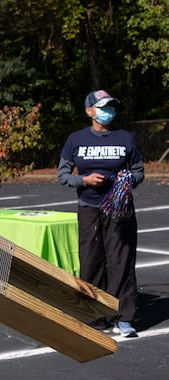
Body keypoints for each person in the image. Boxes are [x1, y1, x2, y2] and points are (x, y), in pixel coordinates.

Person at [58, 89, 145, 338]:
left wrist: (127, 179)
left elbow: (139, 171)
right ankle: (95, 317)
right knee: (91, 261)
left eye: (111, 107)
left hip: (120, 211)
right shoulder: (76, 139)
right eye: (103, 107)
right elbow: (63, 176)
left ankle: (124, 318)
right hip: (89, 208)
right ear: (89, 111)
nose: (108, 111)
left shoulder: (126, 138)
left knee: (122, 263)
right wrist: (84, 179)